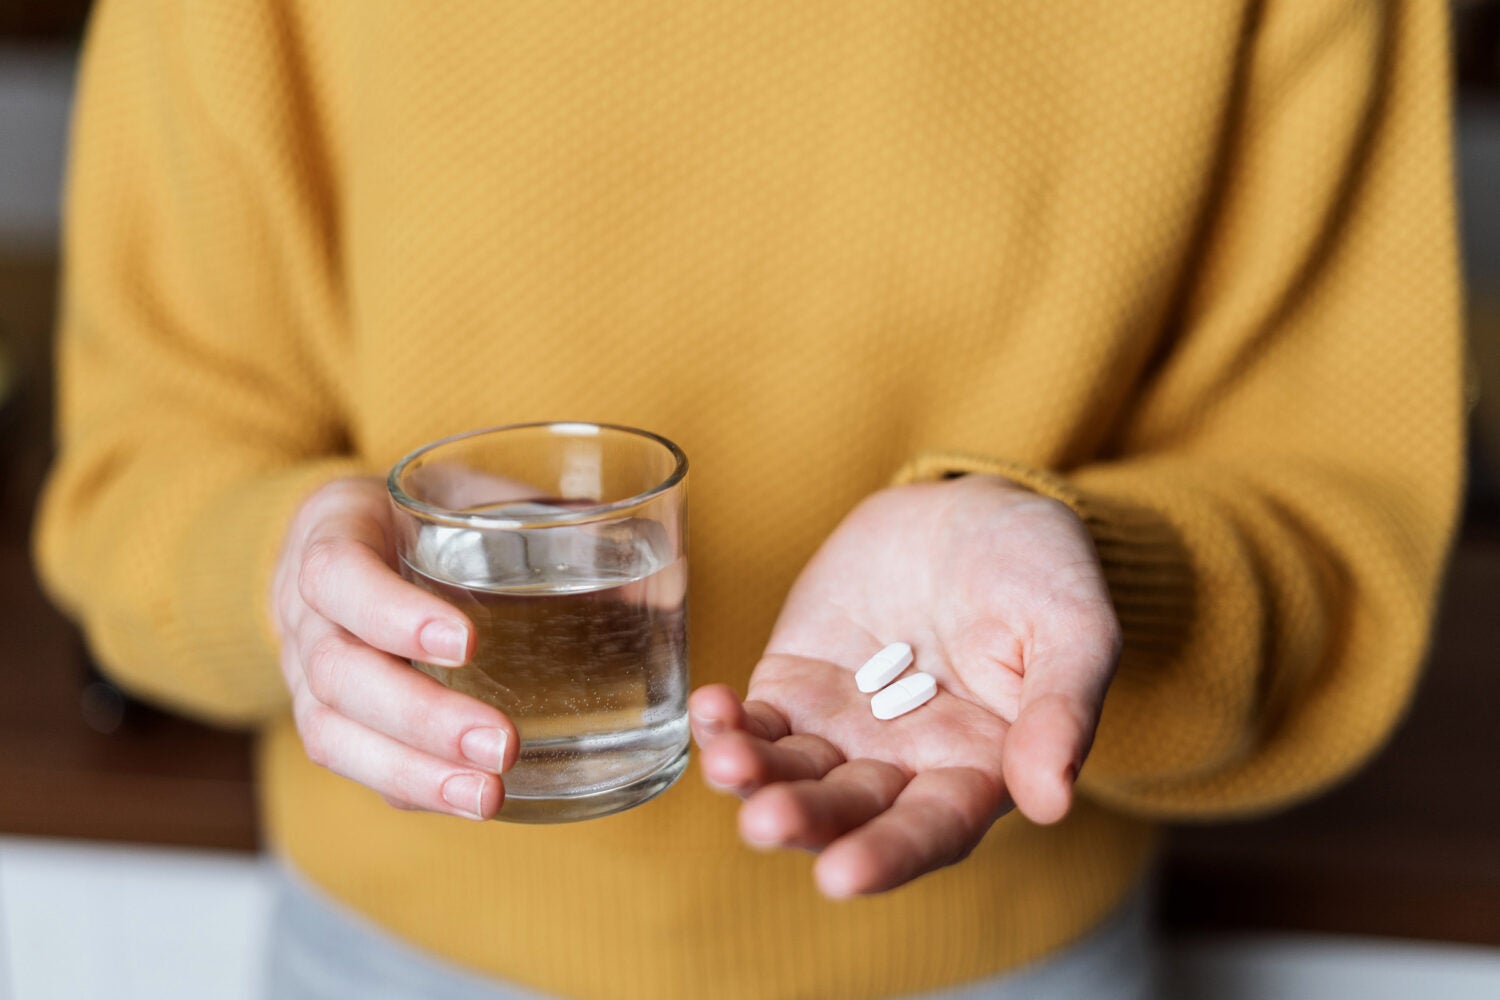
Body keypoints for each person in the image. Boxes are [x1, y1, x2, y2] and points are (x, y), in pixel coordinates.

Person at [35, 1, 1463, 998]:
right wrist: (290, 575)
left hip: (1005, 963)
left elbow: (1337, 533)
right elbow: (138, 476)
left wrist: (1089, 573)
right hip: (393, 959)